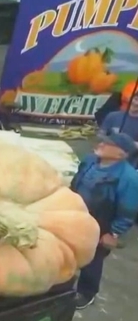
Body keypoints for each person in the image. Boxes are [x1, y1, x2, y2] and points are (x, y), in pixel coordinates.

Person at [71, 133, 138, 310]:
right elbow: (76, 182)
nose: (101, 144)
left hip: (101, 224)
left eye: (108, 143)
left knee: (93, 259)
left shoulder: (129, 178)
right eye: (103, 141)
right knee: (71, 249)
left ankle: (87, 292)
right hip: (77, 215)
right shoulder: (90, 160)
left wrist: (114, 233)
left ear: (121, 154)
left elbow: (128, 210)